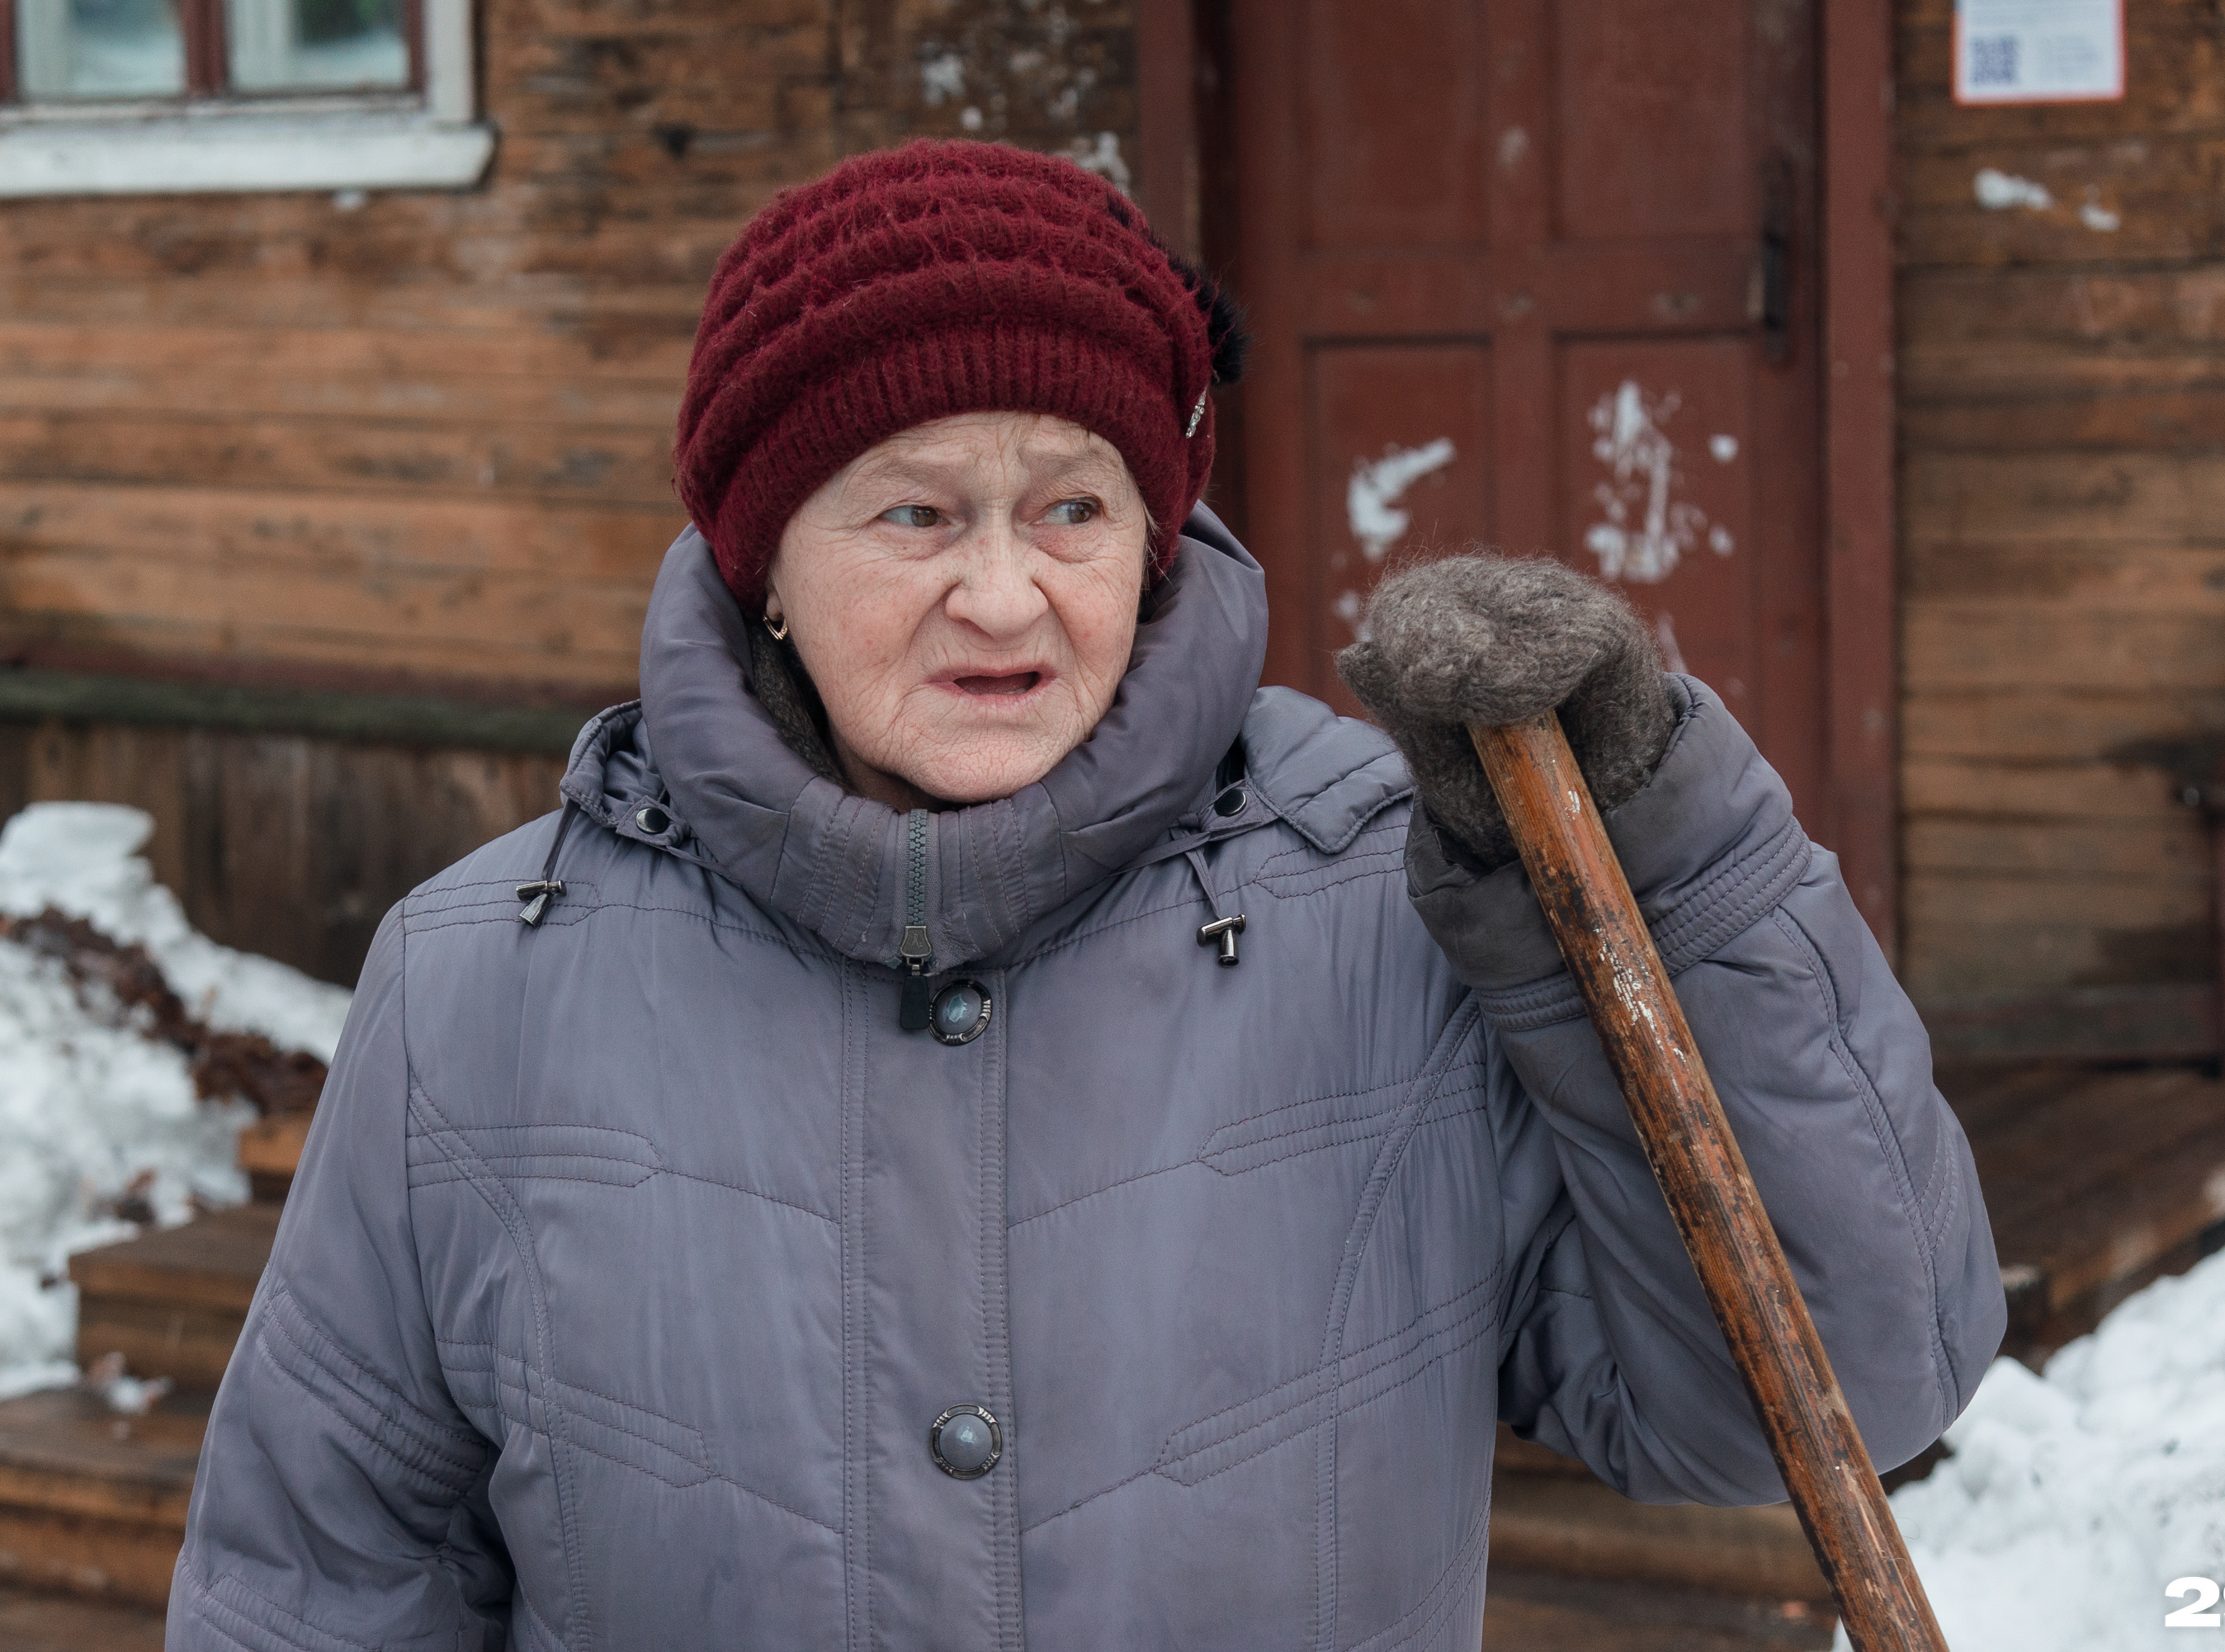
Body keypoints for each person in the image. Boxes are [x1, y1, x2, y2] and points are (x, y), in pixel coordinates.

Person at [168, 139, 2002, 1651]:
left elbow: (1840, 1385)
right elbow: (320, 1586)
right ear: (766, 566)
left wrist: (1657, 841)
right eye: (912, 514)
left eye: (1071, 507)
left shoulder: (1382, 895)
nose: (1002, 595)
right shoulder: (492, 977)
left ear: (1156, 533)